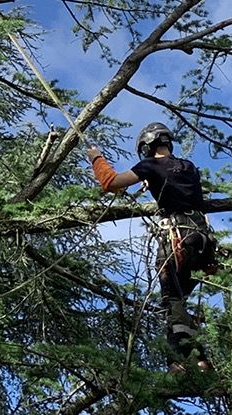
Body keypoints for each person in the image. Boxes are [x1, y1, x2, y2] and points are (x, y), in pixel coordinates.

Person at [86, 122, 218, 371]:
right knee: (179, 301)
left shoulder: (150, 166)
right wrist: (151, 184)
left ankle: (179, 361)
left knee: (171, 299)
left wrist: (96, 158)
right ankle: (201, 358)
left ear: (146, 147)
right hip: (202, 242)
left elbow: (111, 182)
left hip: (178, 239)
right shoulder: (189, 167)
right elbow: (175, 185)